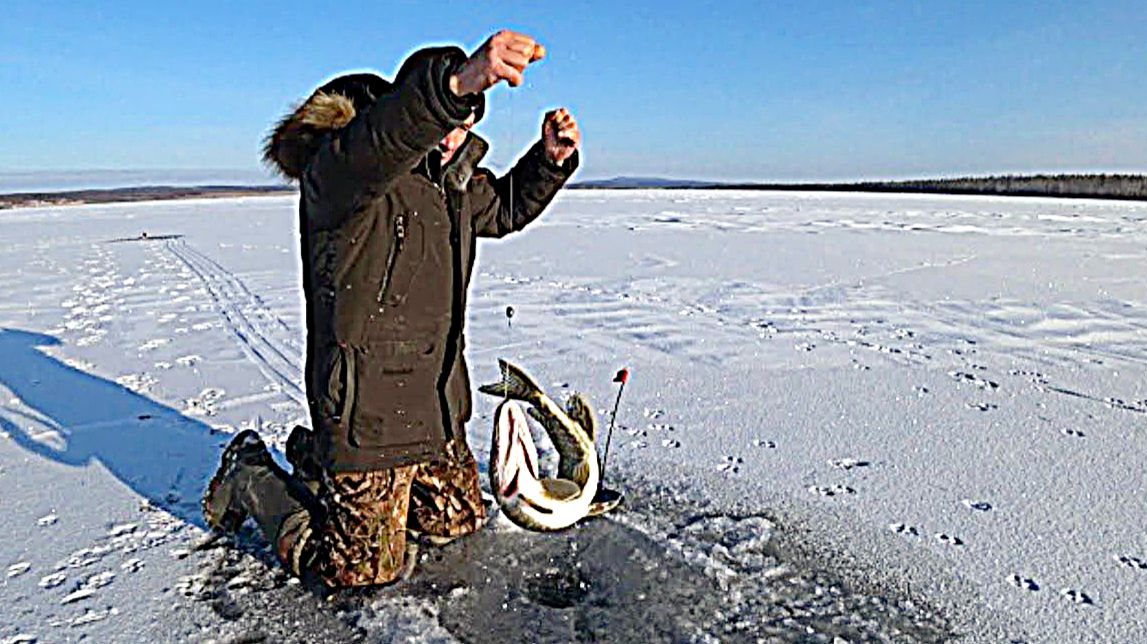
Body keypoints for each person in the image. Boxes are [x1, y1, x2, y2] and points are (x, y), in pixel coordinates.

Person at [201, 30, 580, 588]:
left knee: (458, 520)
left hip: (432, 404)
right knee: (359, 570)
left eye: (468, 120)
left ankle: (313, 458)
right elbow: (377, 144)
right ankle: (252, 476)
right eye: (449, 116)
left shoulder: (449, 186)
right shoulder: (343, 178)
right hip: (366, 414)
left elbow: (500, 209)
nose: (457, 134)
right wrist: (459, 81)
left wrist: (547, 162)